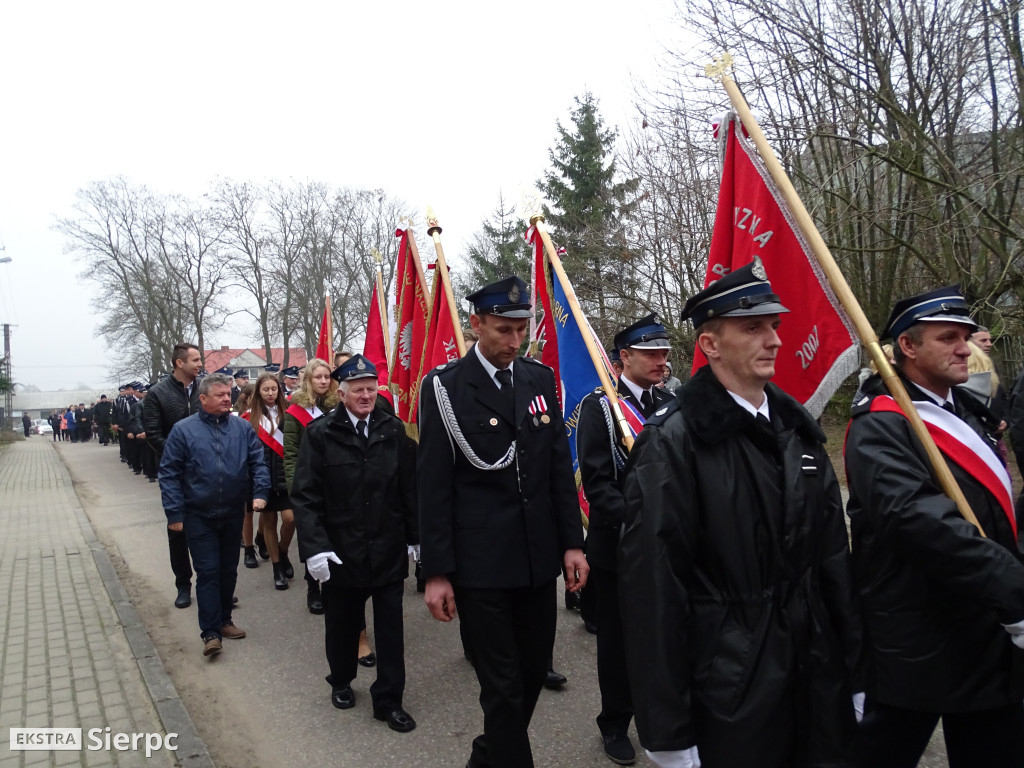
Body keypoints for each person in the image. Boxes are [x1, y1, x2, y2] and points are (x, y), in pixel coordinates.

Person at [619, 260, 861, 768]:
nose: (773, 340)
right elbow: (654, 593)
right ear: (710, 344)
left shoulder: (799, 431)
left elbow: (833, 565)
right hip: (729, 687)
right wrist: (668, 731)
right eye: (753, 327)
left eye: (774, 326)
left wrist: (856, 672)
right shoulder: (674, 443)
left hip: (815, 673)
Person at [846, 285, 1024, 767]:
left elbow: (996, 507)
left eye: (966, 336)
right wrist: (1012, 587)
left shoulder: (967, 412)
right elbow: (915, 518)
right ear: (908, 346)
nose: (964, 347)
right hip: (917, 639)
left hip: (987, 633)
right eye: (948, 338)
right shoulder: (881, 425)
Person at [418, 275, 589, 768]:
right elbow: (433, 486)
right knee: (503, 688)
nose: (515, 341)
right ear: (476, 324)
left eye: (522, 329)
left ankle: (487, 755)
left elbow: (558, 467)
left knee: (533, 673)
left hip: (536, 561)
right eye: (503, 330)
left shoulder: (537, 379)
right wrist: (436, 571)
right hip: (480, 566)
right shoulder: (446, 388)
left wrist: (572, 544)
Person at [292, 354, 419, 732]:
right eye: (358, 390)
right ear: (341, 393)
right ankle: (342, 680)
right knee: (343, 625)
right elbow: (306, 495)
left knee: (391, 631)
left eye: (371, 388)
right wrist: (314, 548)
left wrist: (417, 537)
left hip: (387, 548)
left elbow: (409, 489)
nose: (366, 396)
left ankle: (389, 700)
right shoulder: (321, 434)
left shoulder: (393, 431)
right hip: (341, 551)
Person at [577, 314, 674, 765]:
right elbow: (598, 484)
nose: (662, 359)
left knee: (664, 638)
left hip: (669, 544)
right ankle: (614, 723)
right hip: (620, 546)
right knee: (618, 643)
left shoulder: (670, 402)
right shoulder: (599, 407)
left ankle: (662, 721)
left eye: (664, 352)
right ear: (624, 358)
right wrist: (642, 523)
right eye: (651, 352)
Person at [158, 373, 270, 658]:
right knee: (208, 571)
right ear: (203, 399)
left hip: (232, 512)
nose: (226, 399)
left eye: (228, 394)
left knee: (228, 569)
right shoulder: (183, 431)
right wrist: (174, 512)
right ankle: (210, 633)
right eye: (219, 395)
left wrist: (261, 492)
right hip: (199, 515)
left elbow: (258, 461)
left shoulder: (242, 428)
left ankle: (224, 620)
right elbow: (169, 473)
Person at [144, 343, 203, 609]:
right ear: (180, 363)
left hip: (207, 471)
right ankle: (183, 585)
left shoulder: (205, 387)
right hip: (175, 472)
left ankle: (209, 583)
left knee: (206, 530)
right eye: (195, 359)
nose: (200, 364)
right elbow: (154, 434)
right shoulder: (157, 393)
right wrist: (183, 455)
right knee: (178, 531)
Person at [284, 358, 340, 618]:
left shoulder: (337, 406)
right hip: (309, 482)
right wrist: (296, 489)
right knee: (310, 535)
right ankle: (312, 588)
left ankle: (332, 585)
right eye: (318, 377)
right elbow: (291, 454)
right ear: (308, 379)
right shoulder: (295, 412)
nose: (323, 381)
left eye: (326, 377)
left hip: (334, 482)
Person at [244, 373, 294, 590]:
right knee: (269, 522)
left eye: (274, 389)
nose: (271, 393)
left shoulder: (289, 413)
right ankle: (276, 567)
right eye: (266, 390)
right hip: (263, 477)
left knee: (291, 519)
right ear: (258, 392)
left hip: (285, 476)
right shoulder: (249, 417)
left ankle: (283, 552)